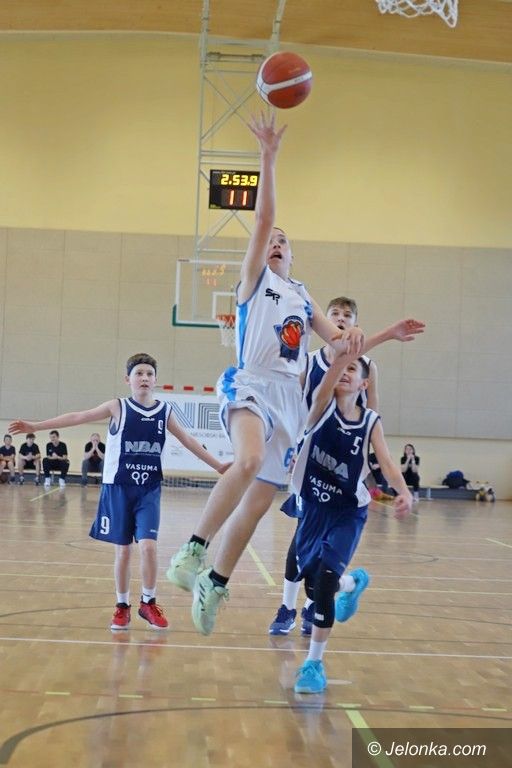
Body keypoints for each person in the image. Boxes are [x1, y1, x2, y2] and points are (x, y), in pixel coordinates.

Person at [166, 111, 424, 637]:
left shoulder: (303, 296)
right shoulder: (254, 280)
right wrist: (268, 157)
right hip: (252, 381)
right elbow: (263, 219)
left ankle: (215, 582)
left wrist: (380, 334)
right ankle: (192, 550)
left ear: (294, 255)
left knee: (259, 503)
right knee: (249, 459)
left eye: (284, 241)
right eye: (271, 240)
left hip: (290, 400)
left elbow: (339, 349)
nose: (276, 242)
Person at [9, 352, 229, 631]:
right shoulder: (117, 407)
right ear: (128, 379)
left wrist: (218, 465)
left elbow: (188, 440)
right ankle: (122, 606)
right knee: (123, 552)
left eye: (149, 374)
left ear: (156, 380)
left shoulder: (165, 411)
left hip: (148, 490)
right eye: (139, 373)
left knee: (149, 547)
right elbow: (78, 416)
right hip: (118, 489)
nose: (144, 378)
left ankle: (148, 602)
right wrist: (36, 427)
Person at [290, 350, 412, 694]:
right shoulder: (320, 406)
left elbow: (386, 462)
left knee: (323, 587)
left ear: (364, 383)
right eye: (340, 367)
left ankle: (313, 664)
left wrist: (403, 491)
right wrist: (344, 354)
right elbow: (326, 377)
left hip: (347, 511)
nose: (344, 372)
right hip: (313, 508)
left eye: (353, 368)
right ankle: (352, 584)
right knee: (313, 587)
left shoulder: (370, 421)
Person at [269, 295, 380, 637]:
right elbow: (297, 408)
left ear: (356, 322)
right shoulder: (310, 360)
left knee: (326, 546)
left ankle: (310, 606)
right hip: (311, 457)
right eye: (335, 314)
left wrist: (368, 463)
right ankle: (287, 607)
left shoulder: (367, 366)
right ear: (325, 321)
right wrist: (291, 447)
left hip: (344, 465)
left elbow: (373, 412)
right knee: (302, 536)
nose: (341, 318)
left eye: (348, 314)